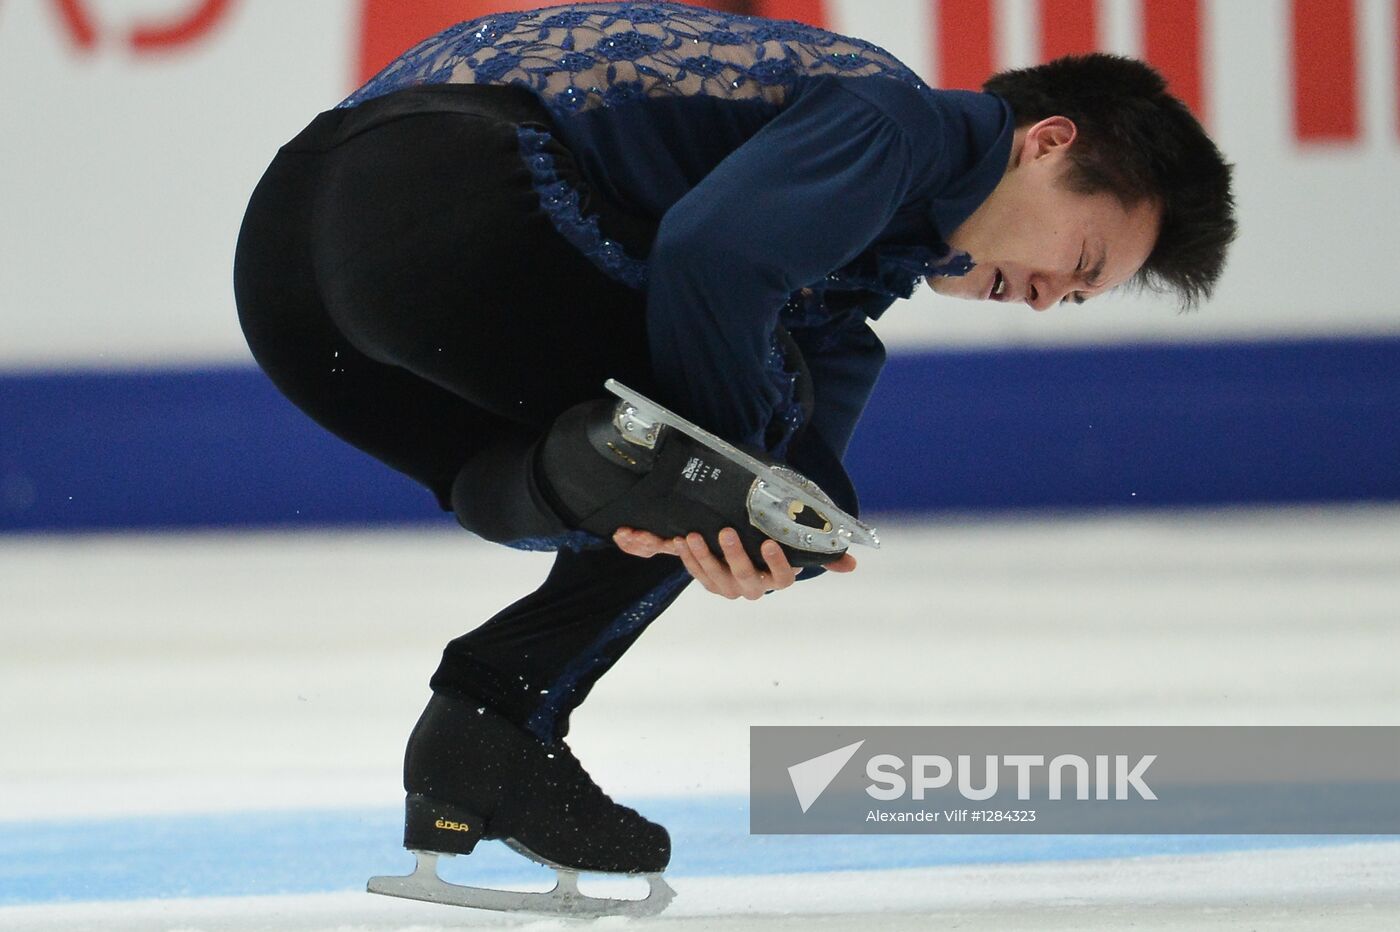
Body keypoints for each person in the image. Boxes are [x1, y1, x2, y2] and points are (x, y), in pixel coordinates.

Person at [232, 0, 1235, 914]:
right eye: (1083, 258)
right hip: (435, 185)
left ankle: (476, 747)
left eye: (1080, 296)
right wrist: (733, 491)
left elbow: (791, 453)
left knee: (677, 462)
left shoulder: (852, 276)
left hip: (295, 271)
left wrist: (765, 518)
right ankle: (491, 716)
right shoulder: (902, 121)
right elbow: (714, 258)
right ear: (1046, 143)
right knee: (735, 434)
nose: (1050, 295)